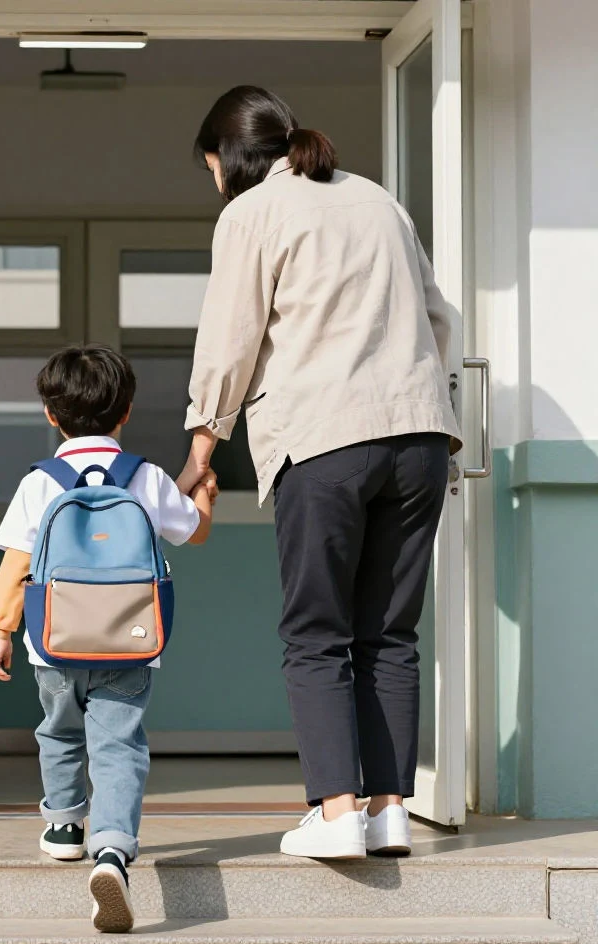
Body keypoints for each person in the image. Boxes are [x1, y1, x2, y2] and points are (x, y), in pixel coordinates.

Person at [176, 86, 461, 860]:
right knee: (390, 633)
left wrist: (202, 449)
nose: (213, 179)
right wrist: (425, 403)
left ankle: (336, 814)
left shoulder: (252, 213)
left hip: (326, 441)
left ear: (230, 156)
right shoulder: (377, 200)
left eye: (210, 164)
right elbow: (439, 318)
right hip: (420, 438)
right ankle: (389, 810)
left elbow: (230, 340)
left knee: (317, 632)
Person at [0, 346, 216, 931]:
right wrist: (204, 494)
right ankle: (112, 850)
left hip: (53, 640)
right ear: (127, 412)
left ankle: (65, 826)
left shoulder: (39, 482)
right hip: (130, 642)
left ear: (50, 414)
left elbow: (17, 563)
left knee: (59, 731)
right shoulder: (146, 476)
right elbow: (193, 533)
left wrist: (1, 630)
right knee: (118, 746)